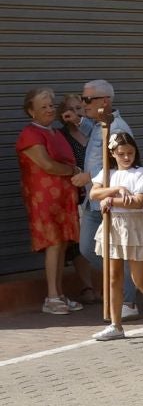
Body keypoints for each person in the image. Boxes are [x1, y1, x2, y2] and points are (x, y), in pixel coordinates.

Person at [16, 87, 91, 314]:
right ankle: (51, 296)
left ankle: (58, 293)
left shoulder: (54, 133)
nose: (49, 110)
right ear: (31, 111)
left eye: (51, 105)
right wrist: (73, 169)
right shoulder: (30, 135)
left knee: (62, 244)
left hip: (63, 197)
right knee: (53, 244)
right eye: (43, 107)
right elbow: (47, 165)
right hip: (44, 199)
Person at [88, 130, 143, 342]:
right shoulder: (106, 174)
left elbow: (137, 201)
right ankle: (116, 324)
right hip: (112, 225)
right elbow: (93, 193)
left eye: (130, 152)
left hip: (133, 225)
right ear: (113, 154)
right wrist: (115, 189)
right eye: (121, 153)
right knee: (113, 276)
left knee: (141, 279)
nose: (126, 157)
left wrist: (110, 200)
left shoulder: (141, 173)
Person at [76, 80, 134, 314]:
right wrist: (77, 121)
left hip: (109, 199)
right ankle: (120, 284)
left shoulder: (117, 127)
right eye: (82, 99)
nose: (83, 103)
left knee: (117, 250)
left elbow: (121, 162)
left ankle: (128, 301)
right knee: (88, 247)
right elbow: (95, 139)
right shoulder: (99, 124)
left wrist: (89, 175)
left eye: (87, 100)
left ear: (104, 101)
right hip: (94, 200)